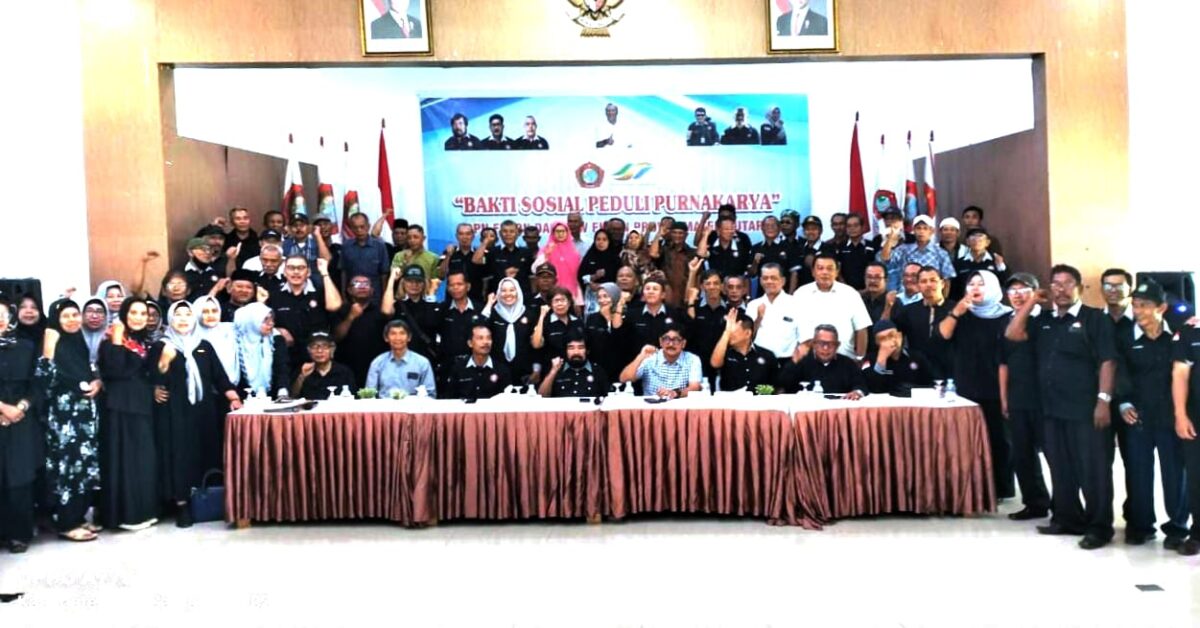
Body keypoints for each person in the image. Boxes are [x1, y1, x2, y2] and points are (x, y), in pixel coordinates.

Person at [1006, 264, 1117, 550]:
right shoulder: (1044, 320)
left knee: (1093, 471)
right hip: (1052, 409)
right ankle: (1068, 519)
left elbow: (1108, 361)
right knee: (1061, 468)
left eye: (1068, 283)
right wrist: (1032, 300)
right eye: (1056, 284)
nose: (1061, 289)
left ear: (1080, 288)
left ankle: (1099, 527)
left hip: (1086, 410)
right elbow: (1013, 333)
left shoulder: (1095, 319)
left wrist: (1104, 400)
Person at [151, 301, 242, 527]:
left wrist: (233, 397)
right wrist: (162, 366)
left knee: (204, 451)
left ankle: (203, 499)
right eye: (178, 315)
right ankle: (181, 504)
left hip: (203, 410)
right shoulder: (161, 346)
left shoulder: (204, 345)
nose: (183, 319)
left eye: (187, 314)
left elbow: (219, 377)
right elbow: (153, 378)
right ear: (170, 319)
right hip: (174, 412)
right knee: (179, 457)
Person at [1114, 281, 1188, 547]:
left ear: (1162, 308)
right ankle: (1141, 525)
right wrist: (1123, 403)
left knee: (1175, 474)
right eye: (1134, 305)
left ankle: (1177, 527)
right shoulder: (1124, 337)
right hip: (1138, 418)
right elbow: (1119, 373)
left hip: (1170, 417)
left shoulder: (1177, 334)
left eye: (1144, 305)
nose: (1138, 311)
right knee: (1138, 472)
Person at [938, 270, 1015, 500]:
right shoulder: (962, 314)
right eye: (971, 284)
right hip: (967, 386)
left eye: (981, 284)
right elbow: (943, 335)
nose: (975, 288)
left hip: (997, 386)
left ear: (992, 287)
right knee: (968, 441)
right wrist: (956, 312)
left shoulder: (1007, 315)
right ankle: (973, 488)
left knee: (999, 440)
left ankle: (1001, 488)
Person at [36, 299, 102, 542]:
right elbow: (43, 382)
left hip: (84, 418)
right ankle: (66, 522)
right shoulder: (51, 344)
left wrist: (97, 382)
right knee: (68, 469)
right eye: (66, 316)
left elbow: (89, 371)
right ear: (56, 320)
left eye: (75, 314)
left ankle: (78, 515)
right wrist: (48, 349)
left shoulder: (78, 342)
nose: (72, 320)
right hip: (64, 420)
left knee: (83, 467)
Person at [998, 273, 1052, 521]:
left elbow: (1019, 334)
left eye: (1023, 289)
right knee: (1022, 454)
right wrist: (1004, 398)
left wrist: (1031, 306)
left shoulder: (1045, 319)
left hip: (1044, 398)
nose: (1017, 295)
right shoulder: (1005, 321)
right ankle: (1035, 502)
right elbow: (1003, 363)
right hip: (1017, 397)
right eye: (1012, 291)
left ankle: (1065, 506)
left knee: (1054, 454)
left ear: (1035, 292)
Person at [0, 297, 40, 553]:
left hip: (21, 419)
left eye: (2, 315)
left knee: (19, 478)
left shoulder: (25, 347)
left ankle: (19, 535)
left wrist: (21, 407)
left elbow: (37, 383)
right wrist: (2, 409)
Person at [793, 254, 872, 361]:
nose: (825, 272)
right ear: (813, 272)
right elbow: (791, 328)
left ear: (837, 272)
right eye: (820, 268)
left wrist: (859, 358)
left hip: (844, 359)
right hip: (807, 360)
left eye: (830, 268)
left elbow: (861, 328)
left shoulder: (850, 294)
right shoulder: (800, 294)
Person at [1172, 295, 1200, 556]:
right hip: (1196, 417)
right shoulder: (1191, 331)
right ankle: (1198, 532)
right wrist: (1180, 415)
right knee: (1196, 477)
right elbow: (1180, 374)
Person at [891, 266, 952, 379]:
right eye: (924, 281)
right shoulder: (908, 311)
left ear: (942, 283)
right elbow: (893, 335)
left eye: (933, 280)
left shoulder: (955, 309)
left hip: (950, 371)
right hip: (917, 371)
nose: (928, 285)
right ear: (918, 285)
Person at [776, 325, 867, 397]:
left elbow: (861, 385)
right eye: (821, 343)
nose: (825, 348)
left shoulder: (848, 364)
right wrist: (794, 362)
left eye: (831, 344)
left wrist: (857, 392)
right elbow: (782, 385)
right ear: (813, 344)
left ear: (837, 345)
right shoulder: (801, 362)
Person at [619, 325, 703, 399]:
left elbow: (695, 387)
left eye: (676, 340)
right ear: (660, 342)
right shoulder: (650, 357)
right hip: (651, 407)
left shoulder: (692, 359)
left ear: (683, 343)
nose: (671, 344)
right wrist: (640, 357)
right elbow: (624, 379)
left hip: (680, 408)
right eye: (666, 339)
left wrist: (674, 393)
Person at [879, 214, 955, 295]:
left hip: (930, 297)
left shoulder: (941, 253)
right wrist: (891, 238)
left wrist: (943, 301)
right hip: (905, 297)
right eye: (918, 228)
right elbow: (885, 258)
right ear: (913, 230)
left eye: (925, 228)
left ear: (932, 231)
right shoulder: (903, 249)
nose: (921, 231)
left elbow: (947, 280)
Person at [483, 277, 538, 385]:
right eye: (503, 290)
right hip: (496, 371)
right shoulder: (492, 313)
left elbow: (535, 345)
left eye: (512, 290)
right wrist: (489, 304)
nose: (508, 294)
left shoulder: (529, 314)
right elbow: (479, 327)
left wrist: (537, 369)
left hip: (524, 372)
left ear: (518, 292)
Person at [382, 265, 440, 368]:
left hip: (426, 360)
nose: (414, 285)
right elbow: (386, 310)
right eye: (410, 281)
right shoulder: (399, 305)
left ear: (423, 283)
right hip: (402, 360)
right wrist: (391, 279)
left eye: (418, 281)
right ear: (403, 283)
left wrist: (431, 292)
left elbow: (432, 321)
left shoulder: (430, 304)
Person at [436, 271, 485, 384]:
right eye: (451, 285)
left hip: (475, 367)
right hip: (448, 368)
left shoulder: (480, 309)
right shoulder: (442, 310)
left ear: (468, 286)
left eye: (459, 284)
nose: (455, 288)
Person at [365, 320, 437, 398]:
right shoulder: (377, 363)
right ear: (386, 338)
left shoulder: (422, 363)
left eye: (402, 333)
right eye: (393, 334)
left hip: (412, 405)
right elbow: (369, 395)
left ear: (409, 337)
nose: (398, 338)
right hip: (385, 405)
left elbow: (430, 395)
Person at [685, 264, 730, 387]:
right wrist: (691, 305)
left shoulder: (730, 309)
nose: (712, 287)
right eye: (708, 283)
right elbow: (689, 331)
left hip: (723, 365)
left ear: (722, 286)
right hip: (697, 365)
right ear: (702, 286)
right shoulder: (694, 307)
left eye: (716, 283)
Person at [748, 263, 800, 368]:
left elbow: (802, 336)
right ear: (760, 281)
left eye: (773, 278)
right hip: (760, 362)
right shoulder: (753, 305)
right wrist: (758, 319)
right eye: (765, 278)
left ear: (783, 281)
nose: (769, 281)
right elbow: (748, 336)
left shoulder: (795, 303)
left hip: (788, 362)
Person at [710, 310, 776, 391]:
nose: (730, 334)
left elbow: (775, 387)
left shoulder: (767, 356)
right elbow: (715, 364)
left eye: (733, 331)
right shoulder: (724, 353)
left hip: (759, 398)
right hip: (730, 398)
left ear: (747, 333)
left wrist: (755, 392)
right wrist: (727, 332)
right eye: (729, 330)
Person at [863, 319, 934, 394]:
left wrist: (914, 390)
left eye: (891, 335)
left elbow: (933, 383)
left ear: (899, 336)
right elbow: (873, 388)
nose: (890, 341)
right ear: (877, 343)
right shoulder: (869, 360)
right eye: (883, 339)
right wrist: (881, 360)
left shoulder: (917, 357)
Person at [234, 302, 290, 397]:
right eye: (265, 320)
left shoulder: (276, 338)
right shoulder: (236, 341)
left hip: (273, 394)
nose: (271, 323)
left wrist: (282, 389)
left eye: (271, 319)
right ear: (251, 322)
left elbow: (282, 367)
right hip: (242, 396)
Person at [446, 324, 511, 399]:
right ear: (470, 343)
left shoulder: (502, 370)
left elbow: (507, 399)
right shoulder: (458, 369)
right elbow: (449, 399)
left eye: (489, 338)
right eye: (480, 338)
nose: (486, 342)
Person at [539, 332, 611, 398]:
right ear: (565, 351)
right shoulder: (557, 369)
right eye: (571, 348)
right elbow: (542, 396)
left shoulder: (598, 371)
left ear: (587, 350)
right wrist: (553, 371)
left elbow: (608, 398)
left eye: (581, 347)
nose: (576, 352)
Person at [339, 212, 391, 300]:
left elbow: (384, 273)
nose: (359, 230)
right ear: (351, 228)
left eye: (362, 227)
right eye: (355, 227)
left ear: (368, 226)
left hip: (375, 295)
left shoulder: (379, 246)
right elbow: (343, 272)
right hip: (353, 296)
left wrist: (384, 296)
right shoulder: (346, 246)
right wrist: (343, 295)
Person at [475, 220, 534, 296]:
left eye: (512, 231)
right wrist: (485, 241)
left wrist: (532, 297)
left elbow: (532, 278)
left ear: (517, 233)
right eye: (505, 231)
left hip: (523, 296)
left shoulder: (526, 252)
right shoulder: (493, 252)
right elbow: (476, 260)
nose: (508, 234)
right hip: (498, 296)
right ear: (500, 233)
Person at [648, 219, 697, 308]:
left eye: (680, 233)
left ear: (686, 234)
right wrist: (659, 234)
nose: (677, 235)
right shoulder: (665, 250)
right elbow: (653, 254)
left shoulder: (692, 253)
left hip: (685, 296)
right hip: (666, 297)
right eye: (674, 233)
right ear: (671, 234)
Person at [290, 332, 356, 400]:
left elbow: (353, 398)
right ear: (308, 350)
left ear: (332, 350)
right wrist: (302, 377)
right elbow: (292, 396)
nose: (319, 350)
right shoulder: (302, 370)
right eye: (314, 347)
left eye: (325, 346)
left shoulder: (344, 372)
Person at [583, 282, 628, 379]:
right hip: (598, 368)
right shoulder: (592, 318)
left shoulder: (625, 316)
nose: (602, 300)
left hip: (620, 367)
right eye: (599, 297)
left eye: (606, 296)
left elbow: (619, 341)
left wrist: (608, 319)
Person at [951, 228, 1008, 300]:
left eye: (980, 238)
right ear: (967, 242)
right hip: (966, 303)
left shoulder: (996, 261)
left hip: (991, 303)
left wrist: (1001, 266)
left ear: (987, 242)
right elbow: (954, 290)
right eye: (973, 238)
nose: (977, 241)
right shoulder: (959, 263)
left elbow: (1005, 283)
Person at [532, 287, 584, 366]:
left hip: (574, 367)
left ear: (569, 303)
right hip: (552, 368)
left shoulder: (578, 322)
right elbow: (536, 344)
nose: (560, 304)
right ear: (550, 304)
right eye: (556, 301)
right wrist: (542, 316)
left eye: (563, 300)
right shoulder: (546, 323)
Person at [535, 222, 583, 303]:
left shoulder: (574, 251)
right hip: (551, 291)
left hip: (572, 291)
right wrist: (547, 254)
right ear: (553, 233)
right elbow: (535, 269)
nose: (560, 234)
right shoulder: (546, 249)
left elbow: (579, 272)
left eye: (563, 231)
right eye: (557, 231)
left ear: (567, 233)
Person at [439, 222, 487, 302]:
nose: (464, 237)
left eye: (468, 234)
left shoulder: (481, 253)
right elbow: (441, 275)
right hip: (452, 299)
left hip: (476, 299)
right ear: (456, 236)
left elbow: (486, 278)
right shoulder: (447, 252)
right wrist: (448, 255)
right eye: (461, 234)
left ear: (473, 236)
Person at [578, 229, 620, 314]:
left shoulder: (615, 259)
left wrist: (602, 287)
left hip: (610, 297)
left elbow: (618, 279)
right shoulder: (589, 257)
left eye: (604, 239)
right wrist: (593, 278)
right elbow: (580, 276)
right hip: (592, 297)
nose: (601, 242)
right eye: (598, 239)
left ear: (609, 242)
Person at [833, 214, 877, 290]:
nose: (852, 228)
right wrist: (846, 289)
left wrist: (867, 289)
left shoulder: (872, 246)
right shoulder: (840, 247)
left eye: (856, 225)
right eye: (849, 226)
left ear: (862, 227)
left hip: (869, 290)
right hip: (846, 291)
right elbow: (837, 271)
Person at [81, 297, 109, 363]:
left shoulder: (111, 337)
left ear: (105, 316)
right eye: (89, 311)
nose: (94, 316)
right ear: (82, 314)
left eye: (99, 312)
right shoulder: (74, 336)